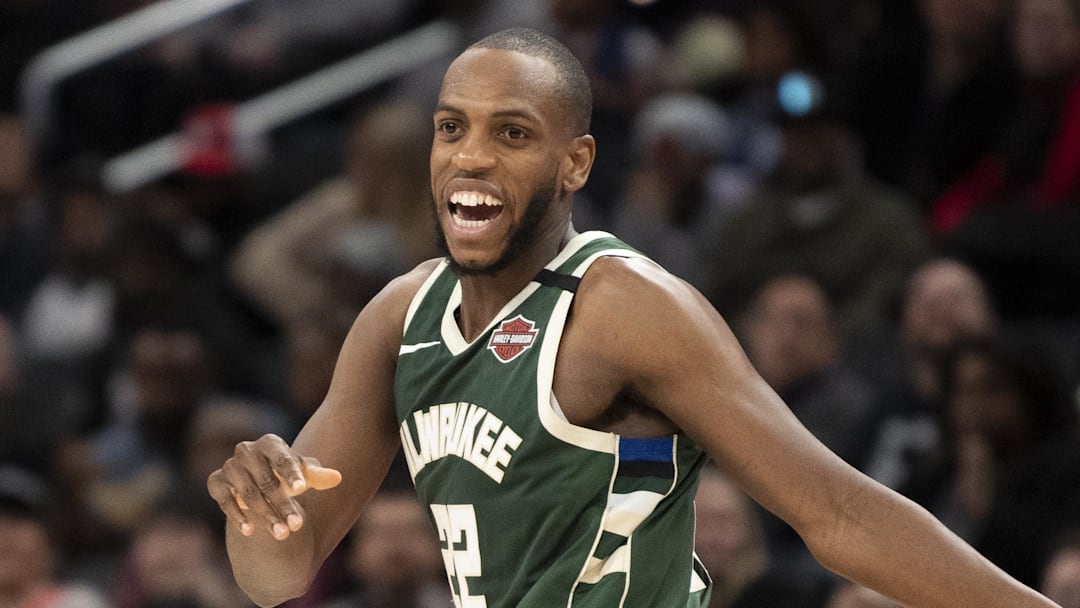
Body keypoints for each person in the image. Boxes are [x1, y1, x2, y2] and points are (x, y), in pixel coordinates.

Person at [207, 27, 1061, 608]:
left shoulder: (624, 307)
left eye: (511, 133)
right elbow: (276, 577)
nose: (469, 156)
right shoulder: (400, 319)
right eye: (450, 128)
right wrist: (260, 514)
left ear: (575, 160)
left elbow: (836, 512)